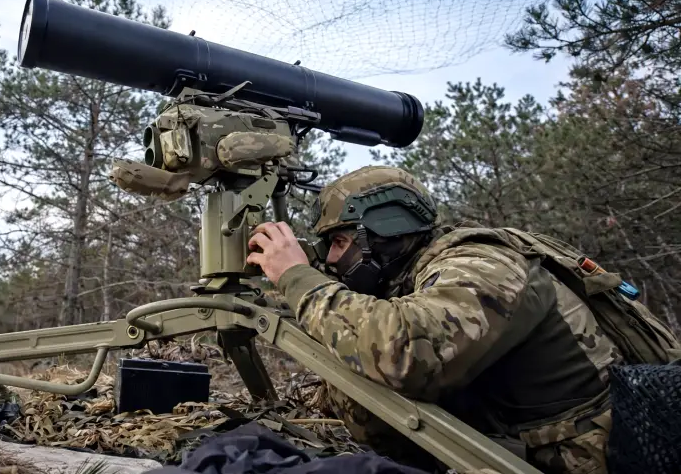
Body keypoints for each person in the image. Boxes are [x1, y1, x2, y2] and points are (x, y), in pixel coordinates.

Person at [245, 165, 680, 474]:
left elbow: (405, 351)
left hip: (596, 456)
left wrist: (297, 277)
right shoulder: (416, 277)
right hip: (540, 445)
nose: (331, 259)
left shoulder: (483, 265)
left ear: (384, 230)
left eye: (339, 242)